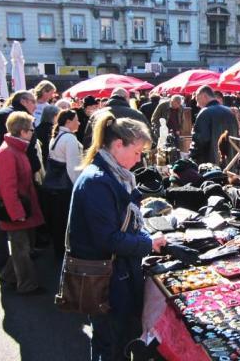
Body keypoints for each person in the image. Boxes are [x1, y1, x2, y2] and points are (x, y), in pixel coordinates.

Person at [68, 113, 166, 360]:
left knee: (116, 341)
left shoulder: (113, 175)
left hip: (116, 274)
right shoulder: (98, 181)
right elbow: (107, 239)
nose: (139, 158)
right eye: (137, 152)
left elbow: (125, 224)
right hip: (106, 279)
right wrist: (147, 243)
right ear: (118, 144)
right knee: (111, 344)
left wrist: (144, 235)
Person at [0, 90, 40, 275]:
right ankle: (6, 265)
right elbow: (7, 181)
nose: (35, 107)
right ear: (24, 101)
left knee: (5, 220)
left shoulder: (2, 115)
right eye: (33, 102)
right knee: (5, 219)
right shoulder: (13, 120)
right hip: (0, 172)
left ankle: (9, 266)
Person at [0, 111, 45, 294]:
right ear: (22, 132)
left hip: (21, 206)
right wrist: (17, 213)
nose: (33, 133)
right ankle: (26, 285)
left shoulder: (15, 149)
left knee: (21, 246)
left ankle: (9, 275)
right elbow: (8, 188)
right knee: (21, 249)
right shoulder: (8, 153)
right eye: (31, 130)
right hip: (16, 209)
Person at [45, 109, 82, 260]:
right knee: (66, 222)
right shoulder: (70, 139)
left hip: (55, 188)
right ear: (68, 121)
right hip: (65, 188)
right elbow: (73, 168)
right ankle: (66, 254)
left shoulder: (58, 136)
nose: (79, 122)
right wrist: (78, 189)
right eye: (76, 119)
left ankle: (59, 252)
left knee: (58, 222)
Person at [84, 87, 152, 149]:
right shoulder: (137, 115)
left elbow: (88, 141)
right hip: (131, 158)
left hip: (103, 157)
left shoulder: (96, 115)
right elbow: (150, 138)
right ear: (126, 98)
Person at [189, 85, 239, 165]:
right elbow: (236, 137)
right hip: (230, 164)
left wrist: (191, 157)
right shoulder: (229, 112)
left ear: (204, 96)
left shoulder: (205, 112)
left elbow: (200, 140)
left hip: (211, 167)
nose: (197, 104)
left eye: (197, 100)